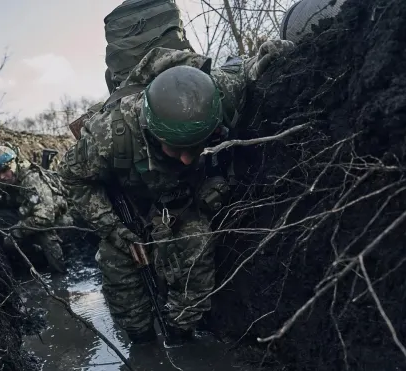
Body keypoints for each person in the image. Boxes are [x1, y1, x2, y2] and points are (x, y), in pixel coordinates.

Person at [58, 40, 294, 346]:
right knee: (121, 277)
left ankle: (182, 336)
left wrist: (265, 59)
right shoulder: (110, 135)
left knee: (198, 246)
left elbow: (244, 70)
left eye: (195, 147)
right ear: (152, 130)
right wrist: (114, 228)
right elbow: (72, 177)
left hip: (183, 203)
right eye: (176, 149)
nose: (186, 158)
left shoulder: (217, 95)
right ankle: (141, 341)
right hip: (129, 209)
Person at [0, 145, 72, 273]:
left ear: (13, 163)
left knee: (45, 235)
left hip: (60, 220)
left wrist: (17, 231)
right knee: (0, 218)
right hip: (32, 215)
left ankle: (60, 275)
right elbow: (8, 201)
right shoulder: (8, 180)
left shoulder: (31, 179)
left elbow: (45, 218)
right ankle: (34, 260)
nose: (2, 176)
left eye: (5, 170)